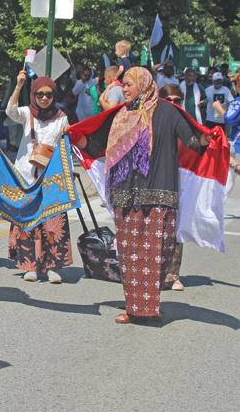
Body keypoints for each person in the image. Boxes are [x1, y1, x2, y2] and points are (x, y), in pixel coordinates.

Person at [68, 67, 212, 323]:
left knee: (158, 255)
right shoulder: (119, 116)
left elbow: (192, 140)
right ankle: (135, 308)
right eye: (123, 84)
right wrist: (74, 136)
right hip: (126, 196)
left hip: (160, 195)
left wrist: (209, 138)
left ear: (144, 85)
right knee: (131, 256)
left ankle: (148, 304)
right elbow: (96, 146)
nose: (124, 88)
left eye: (129, 84)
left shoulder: (167, 111)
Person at [6, 71, 73, 283]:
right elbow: (11, 111)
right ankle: (30, 266)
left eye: (49, 95)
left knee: (52, 221)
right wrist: (18, 86)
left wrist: (67, 132)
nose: (44, 98)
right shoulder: (27, 113)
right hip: (26, 176)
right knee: (27, 222)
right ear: (34, 95)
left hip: (50, 177)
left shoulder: (61, 116)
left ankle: (53, 267)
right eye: (40, 94)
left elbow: (66, 141)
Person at [158, 84, 186, 291]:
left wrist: (233, 164)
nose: (174, 105)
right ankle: (154, 272)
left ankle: (173, 274)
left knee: (176, 229)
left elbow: (205, 143)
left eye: (178, 101)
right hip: (157, 181)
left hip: (181, 181)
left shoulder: (186, 122)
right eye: (170, 100)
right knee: (156, 230)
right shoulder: (152, 120)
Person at [213, 95, 240, 200]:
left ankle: (216, 208)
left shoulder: (238, 101)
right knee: (229, 176)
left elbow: (229, 119)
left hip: (238, 145)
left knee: (230, 175)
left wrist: (218, 107)